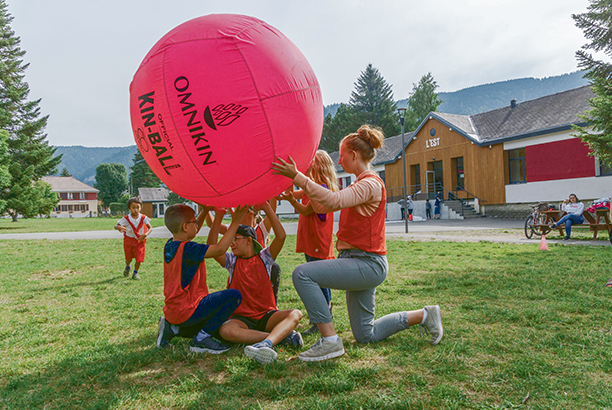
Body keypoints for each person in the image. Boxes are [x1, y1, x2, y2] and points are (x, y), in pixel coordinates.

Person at [272, 125, 443, 362]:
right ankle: (425, 315)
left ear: (354, 155)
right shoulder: (359, 183)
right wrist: (296, 191)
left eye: (342, 155)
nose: (339, 159)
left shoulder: (369, 184)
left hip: (367, 264)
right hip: (358, 262)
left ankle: (329, 341)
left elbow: (332, 201)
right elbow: (323, 201)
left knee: (302, 274)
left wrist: (297, 176)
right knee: (366, 335)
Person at [209, 202, 303, 365]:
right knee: (226, 330)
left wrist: (267, 208)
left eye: (235, 239)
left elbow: (281, 236)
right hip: (241, 319)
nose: (230, 244)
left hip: (266, 315)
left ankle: (266, 343)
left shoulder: (264, 258)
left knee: (295, 314)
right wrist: (217, 216)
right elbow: (212, 247)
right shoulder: (232, 262)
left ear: (248, 241)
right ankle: (278, 337)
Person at [156, 204, 247, 354]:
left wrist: (207, 212)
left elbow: (191, 231)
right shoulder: (189, 249)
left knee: (218, 328)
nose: (198, 224)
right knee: (234, 296)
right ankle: (201, 339)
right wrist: (236, 221)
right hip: (187, 310)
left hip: (174, 311)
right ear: (185, 226)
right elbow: (219, 249)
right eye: (195, 222)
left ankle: (173, 328)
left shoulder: (171, 245)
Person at [279, 150, 338, 335]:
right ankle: (321, 315)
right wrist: (285, 191)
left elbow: (305, 210)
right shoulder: (311, 186)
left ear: (318, 167)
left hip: (318, 241)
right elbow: (295, 192)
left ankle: (323, 316)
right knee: (316, 277)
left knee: (319, 280)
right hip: (311, 239)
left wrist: (291, 200)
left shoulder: (321, 187)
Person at [206, 199, 282, 302]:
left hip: (260, 273)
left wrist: (271, 195)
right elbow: (213, 241)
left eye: (239, 211)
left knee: (275, 267)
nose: (231, 243)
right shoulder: (232, 258)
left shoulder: (261, 231)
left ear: (250, 213)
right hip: (239, 275)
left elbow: (273, 213)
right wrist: (209, 211)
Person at [114, 197, 153, 280]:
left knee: (139, 258)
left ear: (141, 207)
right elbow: (116, 226)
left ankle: (135, 273)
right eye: (133, 208)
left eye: (137, 207)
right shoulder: (126, 218)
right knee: (128, 258)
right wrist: (119, 227)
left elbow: (150, 228)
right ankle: (127, 266)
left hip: (139, 240)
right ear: (129, 208)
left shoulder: (143, 218)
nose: (136, 210)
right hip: (129, 240)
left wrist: (145, 234)